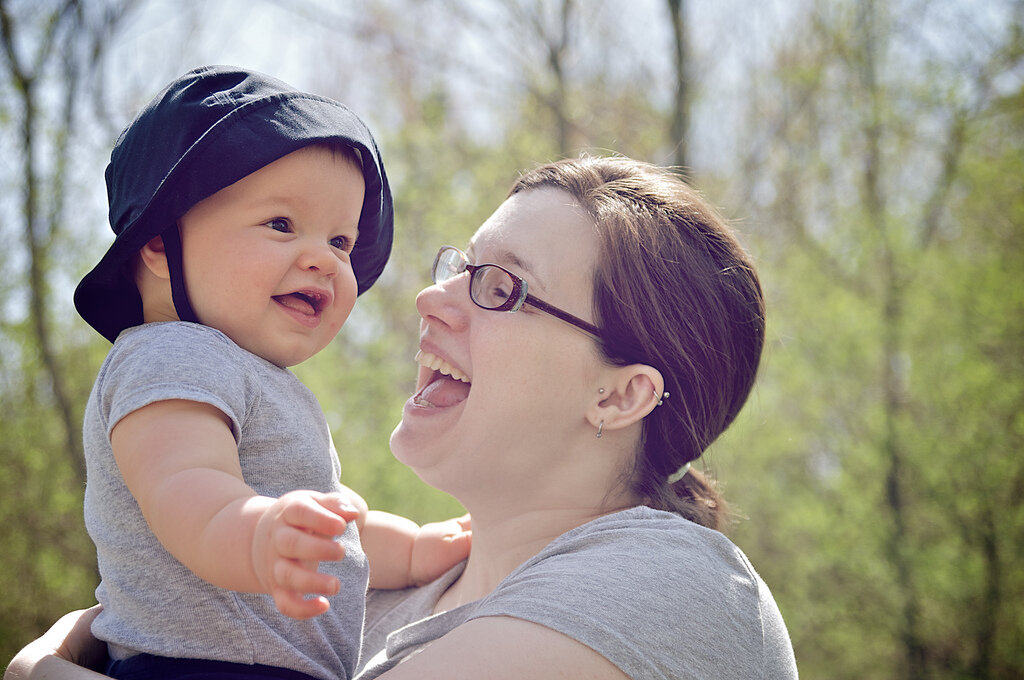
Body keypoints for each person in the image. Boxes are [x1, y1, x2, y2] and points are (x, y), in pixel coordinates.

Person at [6, 154, 798, 679]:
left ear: (618, 395)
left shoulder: (675, 585)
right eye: (460, 267)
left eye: (501, 287)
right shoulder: (367, 601)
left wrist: (42, 671)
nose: (429, 298)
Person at [64, 65, 470, 680]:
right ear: (158, 242)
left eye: (340, 241)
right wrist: (255, 535)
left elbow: (330, 524)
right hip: (194, 668)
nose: (323, 260)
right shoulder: (169, 354)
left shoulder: (253, 378)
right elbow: (185, 485)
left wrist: (412, 550)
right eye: (281, 224)